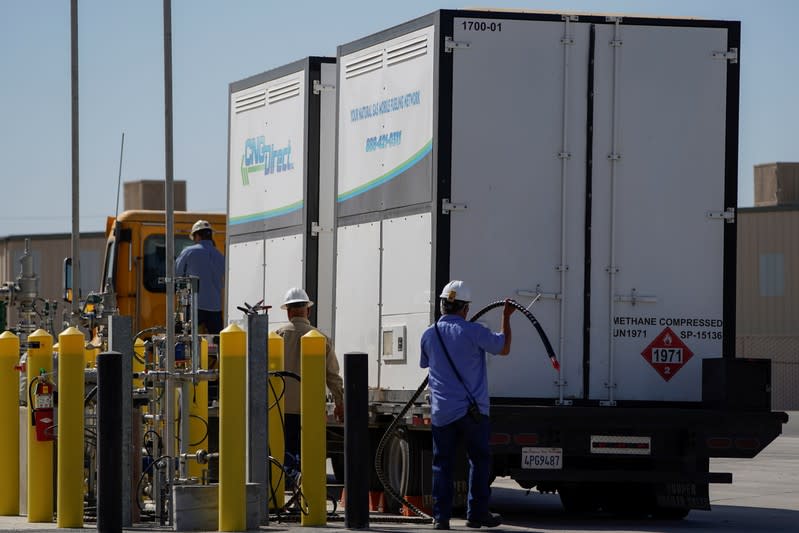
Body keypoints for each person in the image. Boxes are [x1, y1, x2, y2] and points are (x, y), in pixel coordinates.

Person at [420, 280, 515, 530]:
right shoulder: (475, 332)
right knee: (480, 461)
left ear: (442, 305)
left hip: (442, 412)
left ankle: (440, 518)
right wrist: (506, 317)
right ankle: (477, 514)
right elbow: (503, 347)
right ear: (465, 308)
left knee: (442, 464)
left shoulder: (429, 334)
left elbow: (426, 364)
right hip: (473, 412)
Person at [274, 287, 344, 478]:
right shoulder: (321, 338)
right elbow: (332, 376)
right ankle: (304, 491)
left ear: (288, 311)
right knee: (308, 454)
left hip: (280, 409)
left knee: (283, 453)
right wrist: (339, 403)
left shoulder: (276, 336)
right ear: (308, 310)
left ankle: (288, 487)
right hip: (310, 410)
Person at [174, 220, 225, 334]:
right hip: (215, 307)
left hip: (194, 305)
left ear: (197, 236)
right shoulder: (220, 255)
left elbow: (177, 274)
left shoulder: (189, 252)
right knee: (217, 341)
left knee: (186, 339)